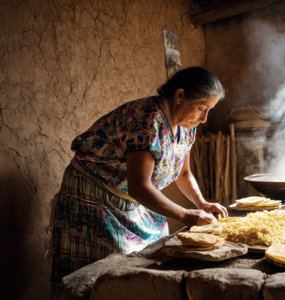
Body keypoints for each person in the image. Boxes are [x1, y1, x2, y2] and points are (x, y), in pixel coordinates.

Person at [49, 66, 228, 295]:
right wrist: (185, 215)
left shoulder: (186, 127)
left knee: (147, 261)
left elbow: (183, 173)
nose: (204, 119)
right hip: (94, 196)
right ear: (180, 96)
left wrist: (201, 203)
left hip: (131, 203)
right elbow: (140, 186)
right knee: (103, 274)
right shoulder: (146, 121)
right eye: (202, 108)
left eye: (209, 110)